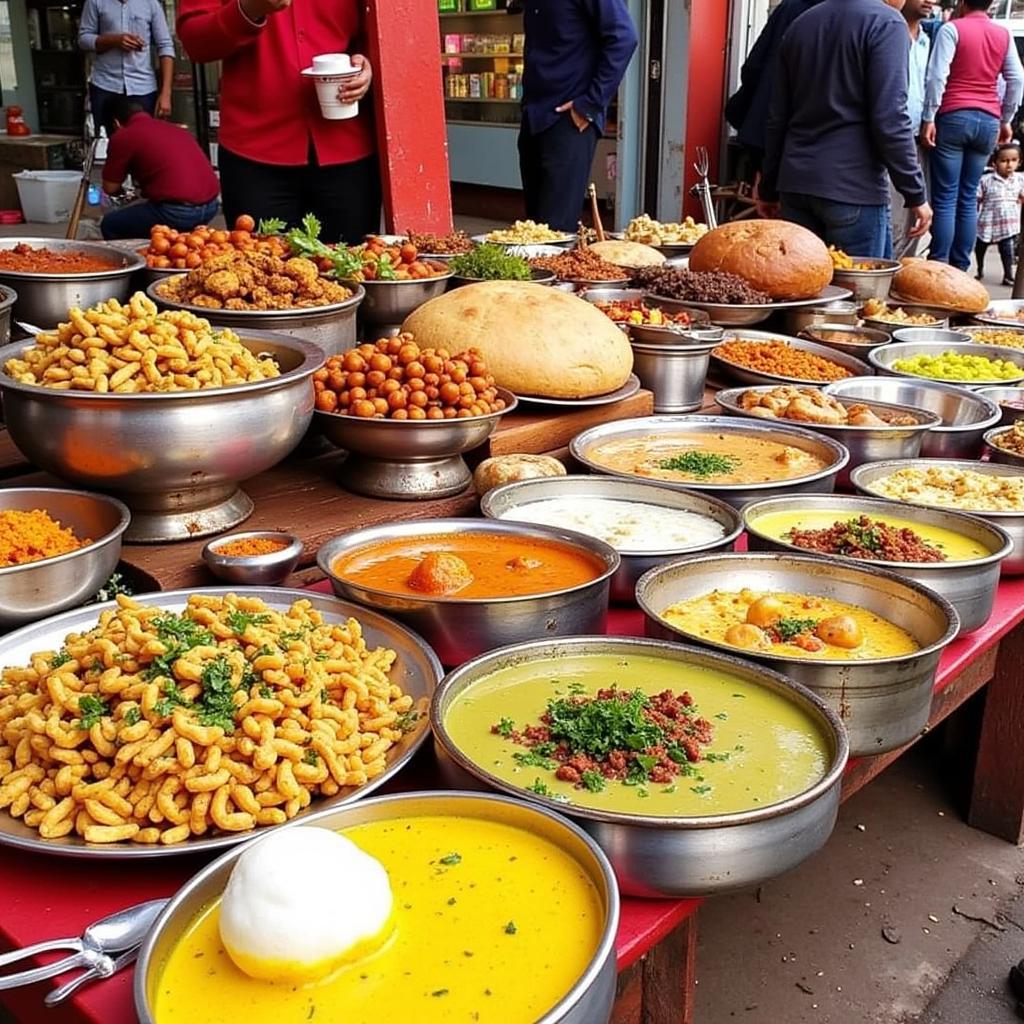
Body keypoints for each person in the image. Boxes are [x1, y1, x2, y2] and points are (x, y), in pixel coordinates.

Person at [176, 0, 378, 244]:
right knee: (260, 275)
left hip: (347, 147)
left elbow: (381, 29)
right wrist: (249, 8)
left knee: (353, 272)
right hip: (255, 155)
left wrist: (369, 63)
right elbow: (195, 41)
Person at [758, 0, 931, 258]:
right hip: (854, 187)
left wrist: (768, 188)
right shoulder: (887, 23)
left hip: (796, 184)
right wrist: (915, 193)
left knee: (804, 291)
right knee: (864, 294)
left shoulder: (802, 23)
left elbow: (777, 118)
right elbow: (891, 118)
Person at [518, 0, 638, 233]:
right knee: (532, 231)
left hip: (569, 120)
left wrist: (589, 104)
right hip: (534, 117)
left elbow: (624, 38)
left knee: (555, 232)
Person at [921, 0, 1024, 270]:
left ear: (962, 3)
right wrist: (1006, 118)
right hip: (988, 120)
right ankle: (961, 268)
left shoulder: (951, 29)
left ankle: (939, 265)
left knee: (945, 196)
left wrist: (929, 116)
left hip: (953, 116)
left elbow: (936, 76)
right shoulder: (1003, 34)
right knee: (967, 197)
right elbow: (1017, 78)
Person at [725, 0, 824, 181]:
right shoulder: (860, 19)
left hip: (764, 132)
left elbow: (753, 66)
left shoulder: (790, 8)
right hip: (818, 153)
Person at [99, 96, 220, 240]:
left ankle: (133, 260)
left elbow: (110, 188)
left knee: (110, 224)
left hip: (177, 212)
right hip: (212, 205)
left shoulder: (123, 136)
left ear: (116, 123)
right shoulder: (175, 128)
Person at [78, 0, 176, 139]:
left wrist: (166, 94)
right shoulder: (95, 2)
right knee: (106, 142)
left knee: (145, 143)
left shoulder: (151, 4)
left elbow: (165, 46)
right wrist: (113, 40)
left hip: (143, 88)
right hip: (105, 85)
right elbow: (83, 39)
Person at [890, 0, 934, 258]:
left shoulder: (927, 41)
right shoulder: (886, 31)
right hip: (892, 135)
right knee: (893, 216)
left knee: (912, 221)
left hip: (919, 138)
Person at [975, 143, 1024, 284]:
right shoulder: (986, 180)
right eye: (1004, 161)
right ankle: (980, 268)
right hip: (987, 221)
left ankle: (1008, 275)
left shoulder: (1020, 180)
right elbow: (977, 198)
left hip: (1008, 223)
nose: (1009, 165)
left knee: (1007, 249)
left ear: (1019, 162)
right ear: (994, 163)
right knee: (981, 247)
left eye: (1013, 161)